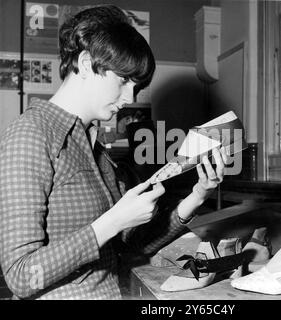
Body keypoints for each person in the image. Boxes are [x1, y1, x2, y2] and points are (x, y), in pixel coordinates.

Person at [0, 5, 227, 300]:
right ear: (84, 63)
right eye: (122, 81)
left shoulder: (94, 144)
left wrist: (197, 196)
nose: (130, 97)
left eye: (136, 86)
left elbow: (131, 245)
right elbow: (20, 275)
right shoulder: (30, 134)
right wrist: (112, 221)